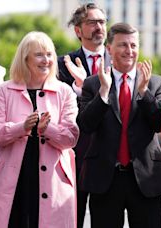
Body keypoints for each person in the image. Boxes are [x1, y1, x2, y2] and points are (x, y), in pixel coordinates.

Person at [77, 22, 161, 228]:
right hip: (105, 178)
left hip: (145, 177)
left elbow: (159, 123)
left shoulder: (156, 83)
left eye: (134, 45)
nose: (129, 51)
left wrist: (145, 93)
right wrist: (103, 93)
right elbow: (86, 125)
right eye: (123, 45)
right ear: (109, 48)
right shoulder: (93, 83)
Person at [0, 31, 79, 228]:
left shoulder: (65, 92)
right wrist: (22, 127)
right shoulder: (3, 91)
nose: (46, 60)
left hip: (52, 182)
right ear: (25, 58)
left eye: (49, 54)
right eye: (39, 54)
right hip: (10, 180)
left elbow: (71, 137)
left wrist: (48, 129)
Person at [57, 3, 109, 227]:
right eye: (92, 22)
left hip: (110, 157)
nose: (99, 27)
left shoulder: (122, 62)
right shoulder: (60, 65)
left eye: (102, 22)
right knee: (71, 220)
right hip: (74, 156)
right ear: (78, 30)